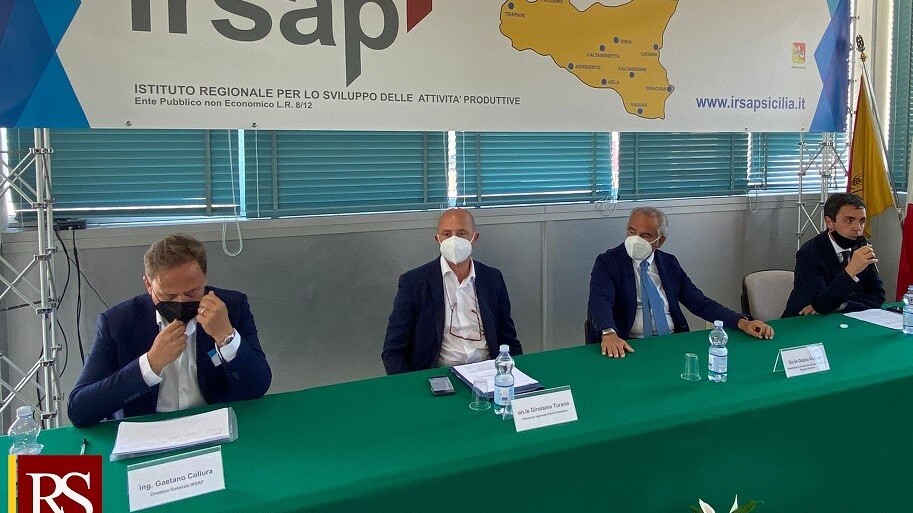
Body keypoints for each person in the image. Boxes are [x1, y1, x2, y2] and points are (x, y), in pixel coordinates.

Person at [68, 234, 271, 427]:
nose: (181, 302)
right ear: (148, 285)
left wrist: (226, 337)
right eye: (168, 296)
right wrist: (151, 363)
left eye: (192, 292)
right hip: (147, 430)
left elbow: (258, 386)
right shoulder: (118, 323)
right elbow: (79, 409)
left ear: (204, 277)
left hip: (214, 425)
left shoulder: (231, 307)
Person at [587, 206, 774, 358]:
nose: (635, 239)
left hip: (672, 343)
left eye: (645, 236)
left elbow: (699, 302)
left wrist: (741, 322)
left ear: (660, 241)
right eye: (632, 231)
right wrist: (608, 332)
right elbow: (600, 300)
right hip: (628, 344)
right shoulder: (608, 262)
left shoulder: (669, 263)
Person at [382, 208, 522, 374]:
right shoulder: (414, 283)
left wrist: (515, 375)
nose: (454, 240)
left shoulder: (492, 278)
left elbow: (508, 338)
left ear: (474, 237)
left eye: (461, 233)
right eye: (447, 234)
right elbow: (393, 350)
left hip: (489, 371)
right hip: (438, 374)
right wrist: (409, 385)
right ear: (438, 239)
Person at [782, 193, 885, 317]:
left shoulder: (861, 247)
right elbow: (820, 303)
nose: (858, 228)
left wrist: (841, 305)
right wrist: (851, 270)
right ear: (830, 222)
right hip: (804, 320)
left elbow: (878, 297)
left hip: (844, 317)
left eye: (862, 221)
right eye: (849, 221)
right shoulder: (809, 252)